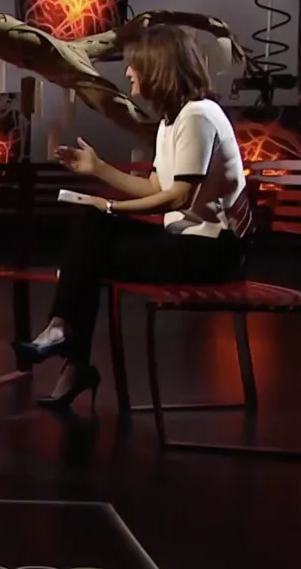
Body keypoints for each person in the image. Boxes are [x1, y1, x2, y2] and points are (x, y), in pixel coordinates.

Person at [14, 24, 253, 410]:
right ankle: (63, 338)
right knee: (91, 229)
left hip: (213, 252)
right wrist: (98, 169)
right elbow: (156, 185)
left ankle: (68, 346)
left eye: (134, 65)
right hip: (185, 242)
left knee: (89, 251)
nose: (127, 73)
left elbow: (179, 196)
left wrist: (110, 207)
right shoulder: (170, 121)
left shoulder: (199, 115)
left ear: (158, 67)